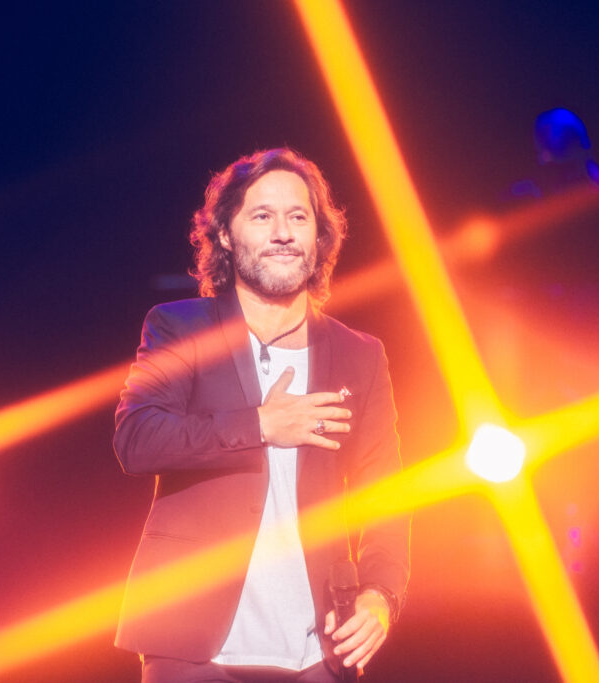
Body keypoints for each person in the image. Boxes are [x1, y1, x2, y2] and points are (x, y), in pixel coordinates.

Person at [114, 148, 409, 682]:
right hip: (192, 650)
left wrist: (381, 593)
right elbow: (137, 439)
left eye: (298, 217)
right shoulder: (180, 328)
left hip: (317, 650)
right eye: (262, 216)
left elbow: (384, 490)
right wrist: (260, 425)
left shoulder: (360, 354)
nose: (283, 233)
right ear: (226, 234)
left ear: (319, 237)